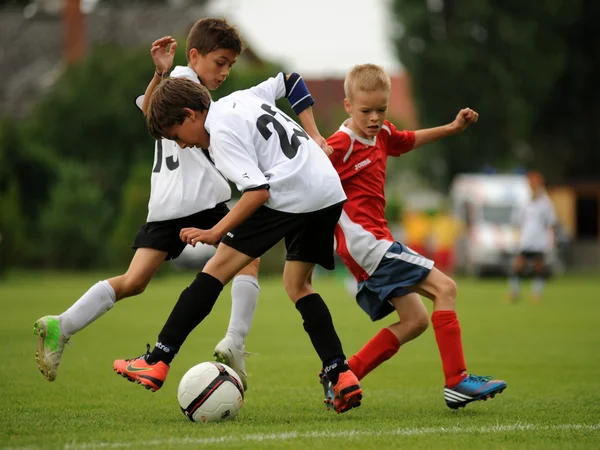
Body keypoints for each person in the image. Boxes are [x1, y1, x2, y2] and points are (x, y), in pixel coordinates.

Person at [32, 18, 329, 392]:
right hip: (201, 199)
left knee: (134, 281)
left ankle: (63, 324)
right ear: (195, 56)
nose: (224, 72)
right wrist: (161, 74)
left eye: (230, 65)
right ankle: (234, 342)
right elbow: (155, 110)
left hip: (165, 204)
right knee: (246, 259)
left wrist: (158, 75)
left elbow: (150, 113)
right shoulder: (187, 89)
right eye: (220, 62)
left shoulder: (182, 86)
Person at [112, 76, 363, 414]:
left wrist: (216, 232)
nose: (182, 145)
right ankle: (340, 372)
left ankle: (158, 359)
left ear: (190, 115)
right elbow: (290, 80)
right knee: (298, 284)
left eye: (176, 136)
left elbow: (258, 192)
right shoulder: (243, 97)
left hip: (290, 192)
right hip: (327, 189)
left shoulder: (219, 137)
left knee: (215, 269)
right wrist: (313, 131)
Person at [318, 63, 507, 410]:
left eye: (381, 109)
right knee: (446, 288)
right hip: (368, 244)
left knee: (416, 320)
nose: (374, 118)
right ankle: (457, 381)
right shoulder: (339, 145)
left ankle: (344, 376)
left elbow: (406, 140)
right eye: (366, 111)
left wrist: (452, 128)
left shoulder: (382, 134)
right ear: (347, 106)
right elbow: (308, 179)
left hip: (373, 245)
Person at [508, 170, 559, 303]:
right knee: (518, 265)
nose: (532, 185)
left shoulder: (546, 203)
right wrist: (516, 237)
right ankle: (514, 292)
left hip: (540, 241)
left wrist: (552, 240)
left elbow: (551, 223)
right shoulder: (524, 201)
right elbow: (517, 221)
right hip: (526, 240)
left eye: (535, 182)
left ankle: (537, 293)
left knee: (538, 267)